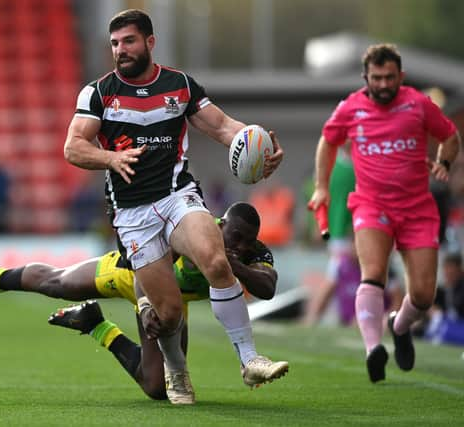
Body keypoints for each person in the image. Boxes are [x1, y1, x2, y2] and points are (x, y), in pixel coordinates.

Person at [61, 9, 286, 404]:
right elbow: (73, 147)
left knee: (216, 261)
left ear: (150, 42)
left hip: (177, 195)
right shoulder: (97, 93)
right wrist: (112, 159)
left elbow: (221, 127)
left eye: (128, 41)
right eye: (114, 44)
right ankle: (177, 371)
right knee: (167, 315)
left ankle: (249, 360)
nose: (120, 51)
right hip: (132, 213)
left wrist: (257, 147)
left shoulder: (180, 85)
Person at [0, 202, 281, 400]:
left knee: (156, 388)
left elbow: (267, 287)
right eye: (236, 237)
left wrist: (233, 263)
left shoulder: (245, 252)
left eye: (249, 241)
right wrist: (145, 308)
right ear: (220, 226)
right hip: (135, 276)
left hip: (172, 306)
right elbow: (149, 266)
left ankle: (96, 325)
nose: (243, 245)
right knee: (55, 282)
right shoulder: (193, 233)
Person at [308, 43, 461, 383]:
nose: (382, 84)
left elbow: (450, 136)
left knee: (423, 296)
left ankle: (399, 324)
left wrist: (445, 162)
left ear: (400, 76)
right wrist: (321, 186)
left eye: (389, 77)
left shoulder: (419, 104)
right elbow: (328, 141)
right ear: (366, 77)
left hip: (418, 210)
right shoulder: (351, 108)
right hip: (372, 205)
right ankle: (373, 348)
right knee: (373, 273)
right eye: (376, 78)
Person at [422, 252, 464, 345]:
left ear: (459, 270)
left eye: (451, 268)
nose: (448, 272)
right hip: (448, 324)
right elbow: (431, 305)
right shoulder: (443, 289)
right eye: (446, 268)